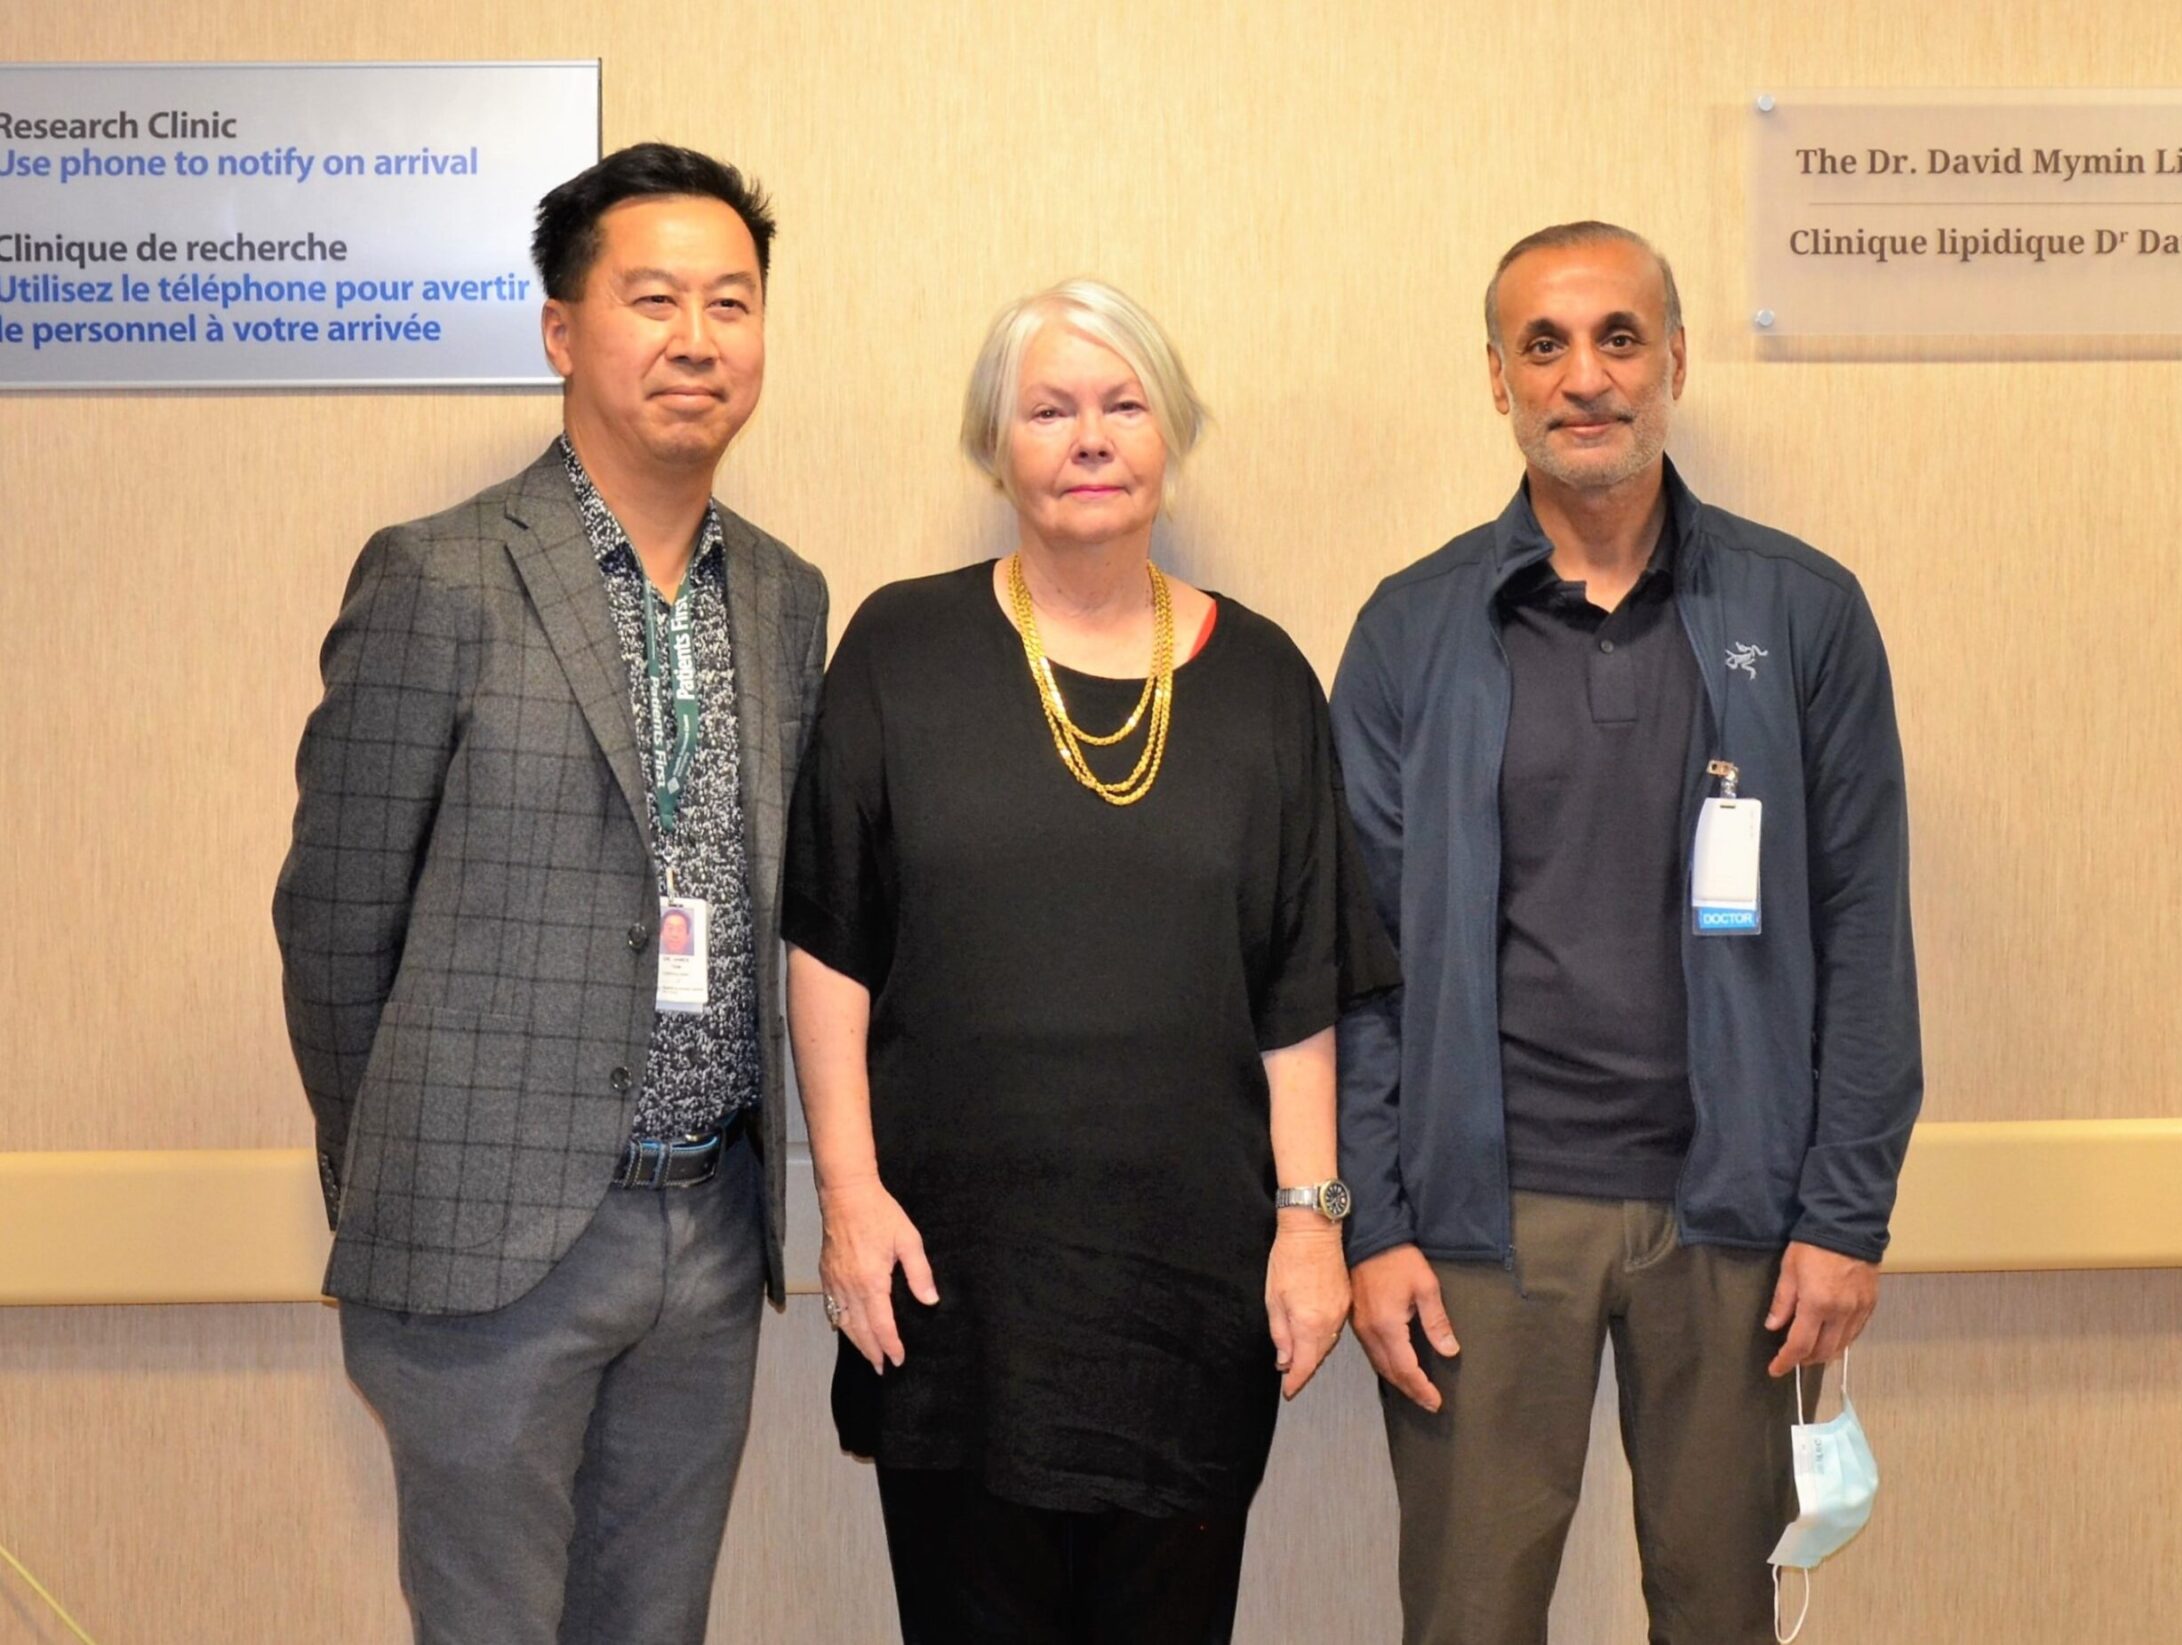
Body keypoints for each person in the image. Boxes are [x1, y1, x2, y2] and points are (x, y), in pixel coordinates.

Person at [1328, 221, 1923, 1645]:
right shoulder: (1413, 630)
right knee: (1469, 1620)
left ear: (1675, 361)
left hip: (1737, 1218)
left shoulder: (1802, 611)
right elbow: (1357, 961)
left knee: (1720, 1616)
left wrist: (1843, 1213)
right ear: (1498, 378)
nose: (1584, 377)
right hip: (1481, 1225)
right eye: (1543, 344)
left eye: (1617, 338)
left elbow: (1864, 928)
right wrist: (1375, 1222)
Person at [782, 277, 1397, 1645]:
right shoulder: (899, 648)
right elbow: (830, 948)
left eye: (1124, 405)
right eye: (1050, 410)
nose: (1091, 439)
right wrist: (847, 1197)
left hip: (1186, 1294)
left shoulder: (1266, 680)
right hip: (952, 1282)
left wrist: (1311, 1225)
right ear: (995, 446)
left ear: (1172, 433)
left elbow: (1300, 989)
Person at [273, 143, 830, 1645]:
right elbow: (333, 924)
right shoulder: (440, 577)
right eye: (654, 300)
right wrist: (405, 1177)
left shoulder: (785, 598)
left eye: (732, 303)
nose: (698, 339)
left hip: (711, 1227)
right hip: (488, 1238)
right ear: (562, 330)